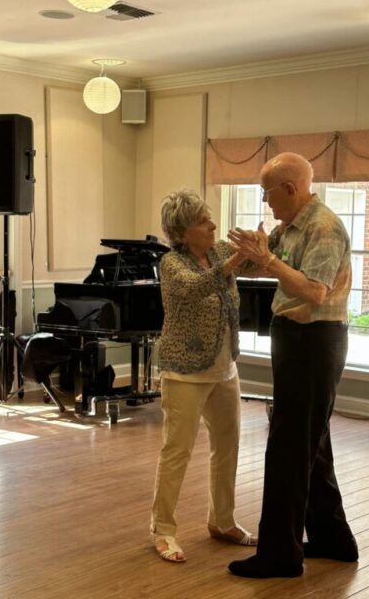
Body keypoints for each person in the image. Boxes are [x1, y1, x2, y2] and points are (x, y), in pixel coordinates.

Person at [226, 152, 358, 578]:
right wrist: (255, 252)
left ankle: (280, 555)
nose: (265, 202)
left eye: (267, 193)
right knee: (311, 444)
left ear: (290, 189)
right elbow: (274, 265)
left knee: (287, 448)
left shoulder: (323, 227)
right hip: (299, 340)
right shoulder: (292, 228)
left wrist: (268, 261)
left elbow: (315, 292)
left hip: (314, 342)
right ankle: (333, 540)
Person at [150, 189, 258, 563]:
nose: (213, 225)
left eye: (210, 218)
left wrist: (260, 245)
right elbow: (194, 288)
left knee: (228, 447)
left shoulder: (220, 253)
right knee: (176, 451)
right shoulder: (170, 264)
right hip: (185, 374)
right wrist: (234, 262)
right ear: (183, 232)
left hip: (225, 369)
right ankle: (163, 530)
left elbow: (255, 265)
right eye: (203, 221)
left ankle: (222, 521)